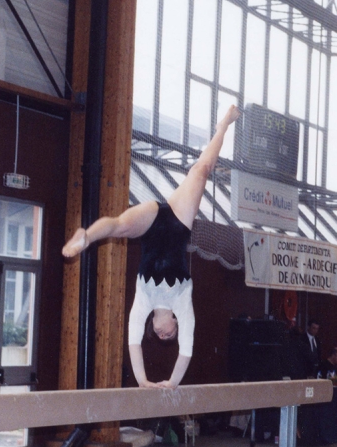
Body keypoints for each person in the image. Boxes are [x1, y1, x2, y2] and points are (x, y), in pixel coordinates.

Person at [62, 105, 241, 389]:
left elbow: (133, 342)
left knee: (121, 227)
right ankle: (224, 126)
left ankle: (89, 237)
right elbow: (187, 351)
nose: (164, 336)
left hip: (152, 224)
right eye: (170, 335)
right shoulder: (182, 306)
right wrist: (171, 382)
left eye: (161, 337)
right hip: (178, 222)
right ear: (174, 323)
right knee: (201, 170)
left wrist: (143, 381)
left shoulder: (143, 303)